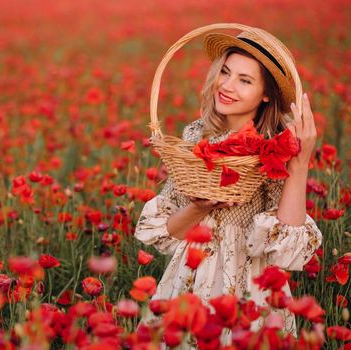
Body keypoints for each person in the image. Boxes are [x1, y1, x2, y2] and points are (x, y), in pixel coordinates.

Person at [134, 29, 323, 346]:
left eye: (244, 80)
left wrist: (299, 163)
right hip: (189, 276)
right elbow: (171, 232)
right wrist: (198, 207)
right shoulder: (196, 135)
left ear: (266, 94)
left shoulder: (272, 149)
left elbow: (286, 249)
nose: (227, 85)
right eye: (225, 72)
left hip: (248, 284)